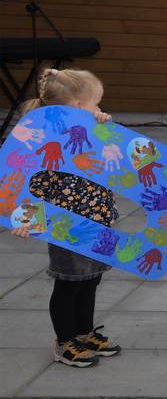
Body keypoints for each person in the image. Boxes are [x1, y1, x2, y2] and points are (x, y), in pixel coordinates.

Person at [8, 69, 122, 368]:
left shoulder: (89, 131)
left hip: (97, 220)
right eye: (95, 104)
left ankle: (83, 332)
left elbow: (115, 154)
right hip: (66, 226)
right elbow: (25, 180)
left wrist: (103, 126)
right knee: (70, 283)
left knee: (91, 279)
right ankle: (63, 340)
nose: (101, 109)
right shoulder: (45, 139)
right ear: (75, 107)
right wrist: (24, 219)